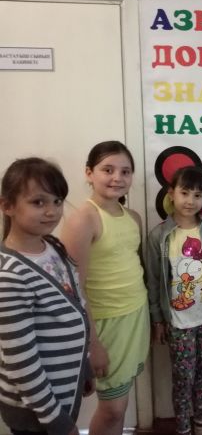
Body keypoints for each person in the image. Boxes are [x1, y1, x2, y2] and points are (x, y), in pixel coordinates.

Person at [61, 141, 149, 435]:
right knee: (112, 411)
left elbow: (136, 268)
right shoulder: (83, 219)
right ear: (89, 173)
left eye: (125, 171)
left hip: (136, 316)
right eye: (107, 170)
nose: (117, 178)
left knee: (119, 404)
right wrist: (93, 343)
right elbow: (74, 289)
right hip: (105, 324)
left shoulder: (133, 217)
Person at [0, 158, 93, 435]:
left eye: (57, 201)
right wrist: (54, 419)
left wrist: (84, 365)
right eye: (38, 202)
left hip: (62, 394)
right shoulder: (9, 275)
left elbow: (76, 303)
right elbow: (22, 361)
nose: (52, 211)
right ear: (7, 206)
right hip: (37, 412)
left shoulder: (52, 247)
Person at [146, 166, 202, 435]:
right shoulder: (159, 235)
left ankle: (201, 421)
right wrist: (157, 320)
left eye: (198, 195)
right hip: (178, 322)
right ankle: (183, 427)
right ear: (171, 194)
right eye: (184, 193)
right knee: (183, 377)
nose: (190, 201)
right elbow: (153, 280)